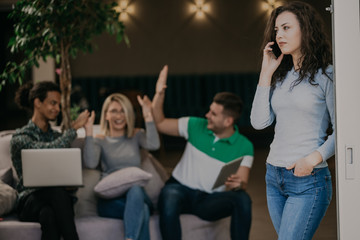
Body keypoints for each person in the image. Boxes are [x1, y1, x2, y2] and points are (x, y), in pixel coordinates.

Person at [250, 1, 334, 239]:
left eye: (286, 28)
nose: (279, 35)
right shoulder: (281, 75)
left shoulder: (326, 75)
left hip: (308, 179)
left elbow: (346, 131)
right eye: (276, 30)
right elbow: (259, 123)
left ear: (305, 29)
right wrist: (266, 73)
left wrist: (312, 159)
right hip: (273, 176)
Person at [152, 65, 254, 240]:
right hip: (179, 189)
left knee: (243, 199)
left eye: (213, 114)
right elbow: (160, 123)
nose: (207, 115)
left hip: (208, 200)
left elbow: (242, 182)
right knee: (169, 196)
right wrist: (159, 94)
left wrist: (239, 184)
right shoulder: (194, 125)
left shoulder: (244, 146)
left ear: (228, 120)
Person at [10, 81, 90, 240]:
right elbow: (47, 150)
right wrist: (73, 130)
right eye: (53, 103)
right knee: (55, 193)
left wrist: (70, 184)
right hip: (29, 202)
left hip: (54, 203)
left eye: (58, 105)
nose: (57, 109)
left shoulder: (56, 136)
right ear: (37, 103)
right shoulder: (20, 138)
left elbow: (65, 172)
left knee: (49, 216)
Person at [83, 93, 160, 240]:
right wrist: (89, 133)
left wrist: (148, 116)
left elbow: (154, 145)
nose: (119, 115)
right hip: (111, 202)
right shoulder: (101, 140)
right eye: (114, 111)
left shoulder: (136, 135)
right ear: (106, 115)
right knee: (142, 210)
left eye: (123, 110)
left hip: (137, 197)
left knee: (135, 189)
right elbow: (91, 163)